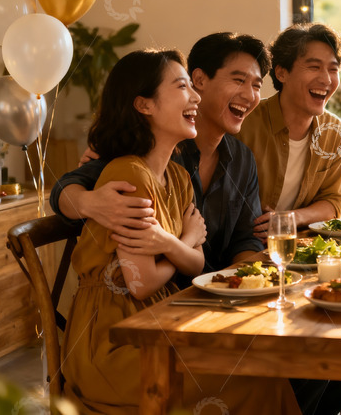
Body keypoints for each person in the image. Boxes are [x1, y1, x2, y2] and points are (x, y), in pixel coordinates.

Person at [61, 49, 300, 414]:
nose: (196, 98)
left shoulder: (176, 176)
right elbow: (141, 283)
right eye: (183, 87)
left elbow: (196, 263)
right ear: (144, 105)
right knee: (257, 377)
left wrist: (174, 245)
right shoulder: (128, 174)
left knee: (267, 364)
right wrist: (183, 241)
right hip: (115, 341)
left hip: (162, 320)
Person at [51, 32, 269, 277]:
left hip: (213, 296)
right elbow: (68, 186)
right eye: (239, 80)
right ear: (200, 79)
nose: (250, 96)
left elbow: (245, 239)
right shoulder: (149, 150)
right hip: (161, 300)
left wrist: (242, 282)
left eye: (257, 86)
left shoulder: (242, 158)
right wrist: (91, 203)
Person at [237, 22, 341, 239]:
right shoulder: (244, 123)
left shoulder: (333, 130)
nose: (326, 79)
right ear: (281, 73)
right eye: (314, 67)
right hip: (245, 248)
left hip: (299, 247)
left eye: (333, 69)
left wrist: (291, 218)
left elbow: (335, 200)